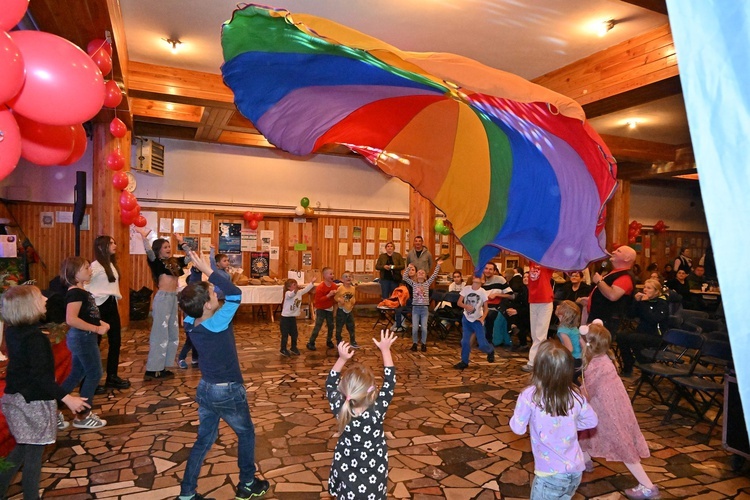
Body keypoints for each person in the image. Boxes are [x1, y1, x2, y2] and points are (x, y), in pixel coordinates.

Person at [176, 250, 269, 500]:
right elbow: (235, 293)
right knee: (246, 433)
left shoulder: (190, 322)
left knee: (204, 440)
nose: (215, 293)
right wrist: (208, 271)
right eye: (211, 294)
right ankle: (247, 483)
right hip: (226, 390)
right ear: (207, 304)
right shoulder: (218, 324)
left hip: (206, 388)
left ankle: (186, 493)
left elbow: (195, 299)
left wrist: (200, 275)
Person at [0, 286, 90, 500]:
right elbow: (41, 378)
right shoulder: (35, 339)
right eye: (39, 296)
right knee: (34, 454)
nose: (45, 298)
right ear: (28, 306)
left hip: (15, 398)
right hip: (32, 402)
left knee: (22, 447)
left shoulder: (13, 331)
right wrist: (68, 398)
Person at [579, 322, 660, 500]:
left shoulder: (595, 366)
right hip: (614, 405)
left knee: (622, 444)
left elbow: (588, 392)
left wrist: (577, 395)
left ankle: (648, 486)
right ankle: (585, 460)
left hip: (608, 411)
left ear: (587, 344)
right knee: (585, 430)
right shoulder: (607, 358)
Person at [510, 340, 598, 500]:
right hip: (575, 470)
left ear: (538, 367)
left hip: (549, 475)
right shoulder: (576, 396)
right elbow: (592, 421)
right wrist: (570, 425)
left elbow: (518, 428)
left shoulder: (530, 396)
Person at [326, 330, 397, 500]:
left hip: (346, 471)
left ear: (344, 392)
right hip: (374, 475)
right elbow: (390, 382)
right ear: (372, 394)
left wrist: (342, 359)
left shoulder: (341, 408)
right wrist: (385, 350)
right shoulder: (377, 411)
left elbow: (329, 384)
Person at [135, 227, 192, 380]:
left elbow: (190, 257)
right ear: (159, 250)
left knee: (173, 333)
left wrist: (182, 243)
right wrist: (144, 237)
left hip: (174, 298)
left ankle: (165, 366)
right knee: (160, 334)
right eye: (165, 247)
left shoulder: (175, 262)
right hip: (163, 298)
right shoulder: (156, 262)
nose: (168, 249)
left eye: (169, 246)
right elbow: (148, 251)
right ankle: (153, 369)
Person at [59, 257, 109, 429]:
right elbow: (71, 319)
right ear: (74, 274)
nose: (90, 270)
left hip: (84, 336)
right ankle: (83, 415)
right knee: (94, 373)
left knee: (76, 374)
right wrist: (96, 329)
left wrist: (100, 323)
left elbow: (86, 315)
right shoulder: (75, 293)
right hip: (82, 337)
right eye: (86, 268)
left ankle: (52, 407)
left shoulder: (82, 291)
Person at [88, 235, 130, 392]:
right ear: (101, 246)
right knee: (95, 343)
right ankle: (91, 380)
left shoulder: (111, 264)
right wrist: (91, 305)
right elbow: (84, 286)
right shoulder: (95, 266)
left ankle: (112, 376)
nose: (115, 245)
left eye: (115, 242)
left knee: (116, 341)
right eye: (111, 243)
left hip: (111, 304)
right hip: (98, 306)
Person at [618, 278, 669, 376]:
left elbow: (653, 319)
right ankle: (628, 364)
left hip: (657, 336)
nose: (645, 290)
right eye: (645, 287)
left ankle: (646, 368)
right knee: (621, 335)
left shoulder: (662, 303)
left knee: (634, 339)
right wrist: (636, 302)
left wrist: (644, 303)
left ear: (657, 291)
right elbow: (630, 315)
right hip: (642, 332)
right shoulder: (644, 302)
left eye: (649, 288)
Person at [584, 245, 636, 336]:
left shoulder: (625, 277)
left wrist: (599, 281)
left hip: (606, 321)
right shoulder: (615, 273)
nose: (613, 252)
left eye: (618, 251)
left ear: (627, 258)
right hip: (598, 318)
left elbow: (613, 295)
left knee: (597, 348)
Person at [455, 274, 495, 369]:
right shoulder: (466, 289)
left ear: (483, 281)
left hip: (477, 320)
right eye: (476, 276)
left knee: (482, 344)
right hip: (466, 319)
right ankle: (464, 361)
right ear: (472, 278)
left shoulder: (483, 292)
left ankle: (490, 350)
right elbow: (459, 302)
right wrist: (466, 306)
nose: (477, 278)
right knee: (465, 342)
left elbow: (486, 309)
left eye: (480, 277)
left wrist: (482, 318)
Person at [402, 259, 443, 352]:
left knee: (424, 328)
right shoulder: (414, 284)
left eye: (422, 273)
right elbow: (405, 277)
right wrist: (408, 268)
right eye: (419, 272)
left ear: (425, 277)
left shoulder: (427, 284)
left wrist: (438, 265)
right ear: (416, 276)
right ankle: (415, 343)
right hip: (416, 309)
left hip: (424, 309)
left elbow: (434, 275)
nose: (420, 273)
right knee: (415, 328)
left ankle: (424, 343)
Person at [521, 262, 554, 373]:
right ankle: (540, 361)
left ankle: (533, 362)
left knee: (540, 334)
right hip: (533, 301)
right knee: (535, 333)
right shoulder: (531, 262)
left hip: (545, 301)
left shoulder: (547, 262)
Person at [279, 278, 315, 356]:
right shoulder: (288, 293)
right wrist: (295, 290)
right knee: (285, 334)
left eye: (296, 284)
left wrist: (312, 282)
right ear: (289, 287)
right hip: (285, 318)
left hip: (292, 318)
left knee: (294, 334)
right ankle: (283, 348)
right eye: (294, 285)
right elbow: (292, 294)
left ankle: (293, 347)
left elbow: (306, 290)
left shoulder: (299, 292)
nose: (296, 286)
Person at [307, 267, 338, 350]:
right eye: (330, 274)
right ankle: (311, 342)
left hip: (329, 309)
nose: (332, 275)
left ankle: (329, 341)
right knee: (318, 326)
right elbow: (318, 301)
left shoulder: (334, 286)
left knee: (331, 326)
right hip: (321, 309)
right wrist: (328, 295)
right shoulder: (320, 287)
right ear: (324, 275)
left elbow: (335, 299)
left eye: (333, 273)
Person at [555, 300, 583, 383]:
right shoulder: (573, 328)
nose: (557, 306)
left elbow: (569, 349)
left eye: (560, 306)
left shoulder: (563, 330)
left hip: (573, 361)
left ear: (562, 314)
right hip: (580, 360)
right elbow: (582, 343)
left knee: (566, 382)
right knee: (573, 381)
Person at [334, 271, 358, 348]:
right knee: (339, 326)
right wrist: (339, 300)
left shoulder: (353, 288)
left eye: (350, 276)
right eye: (346, 276)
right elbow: (335, 297)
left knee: (351, 326)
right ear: (342, 280)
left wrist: (353, 301)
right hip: (341, 310)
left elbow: (353, 297)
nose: (348, 278)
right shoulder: (340, 288)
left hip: (349, 309)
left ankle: (353, 341)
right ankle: (338, 341)